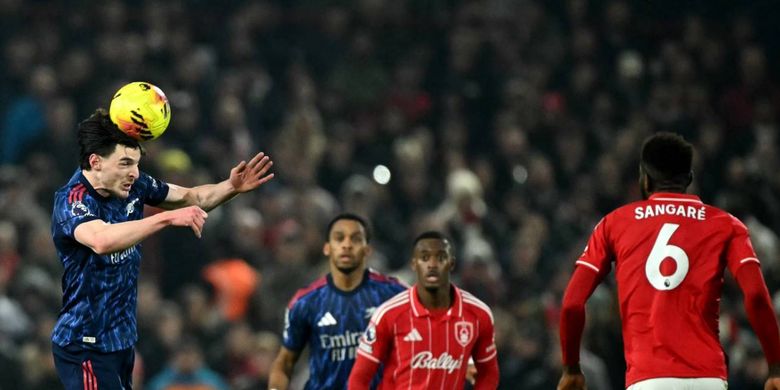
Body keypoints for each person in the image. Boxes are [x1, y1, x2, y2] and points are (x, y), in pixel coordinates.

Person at [50, 108, 274, 390]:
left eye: (137, 164)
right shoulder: (72, 200)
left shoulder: (134, 185)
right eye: (125, 163)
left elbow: (193, 197)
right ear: (96, 162)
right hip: (85, 343)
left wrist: (230, 186)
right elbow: (101, 240)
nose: (135, 173)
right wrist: (165, 217)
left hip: (120, 341)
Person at [557, 132, 780, 390]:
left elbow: (572, 304)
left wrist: (571, 367)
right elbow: (756, 296)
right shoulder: (727, 225)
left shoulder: (614, 224)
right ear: (689, 178)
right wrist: (775, 366)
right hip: (708, 378)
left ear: (645, 178)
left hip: (647, 378)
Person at [268, 213, 407, 390]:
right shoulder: (306, 302)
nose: (347, 245)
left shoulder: (394, 294)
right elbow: (284, 363)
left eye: (355, 239)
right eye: (339, 238)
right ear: (327, 248)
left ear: (367, 249)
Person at [347, 231, 499, 389]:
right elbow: (359, 378)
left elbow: (488, 372)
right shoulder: (388, 314)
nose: (432, 265)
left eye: (440, 258)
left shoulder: (478, 314)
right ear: (414, 264)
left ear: (451, 264)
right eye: (425, 258)